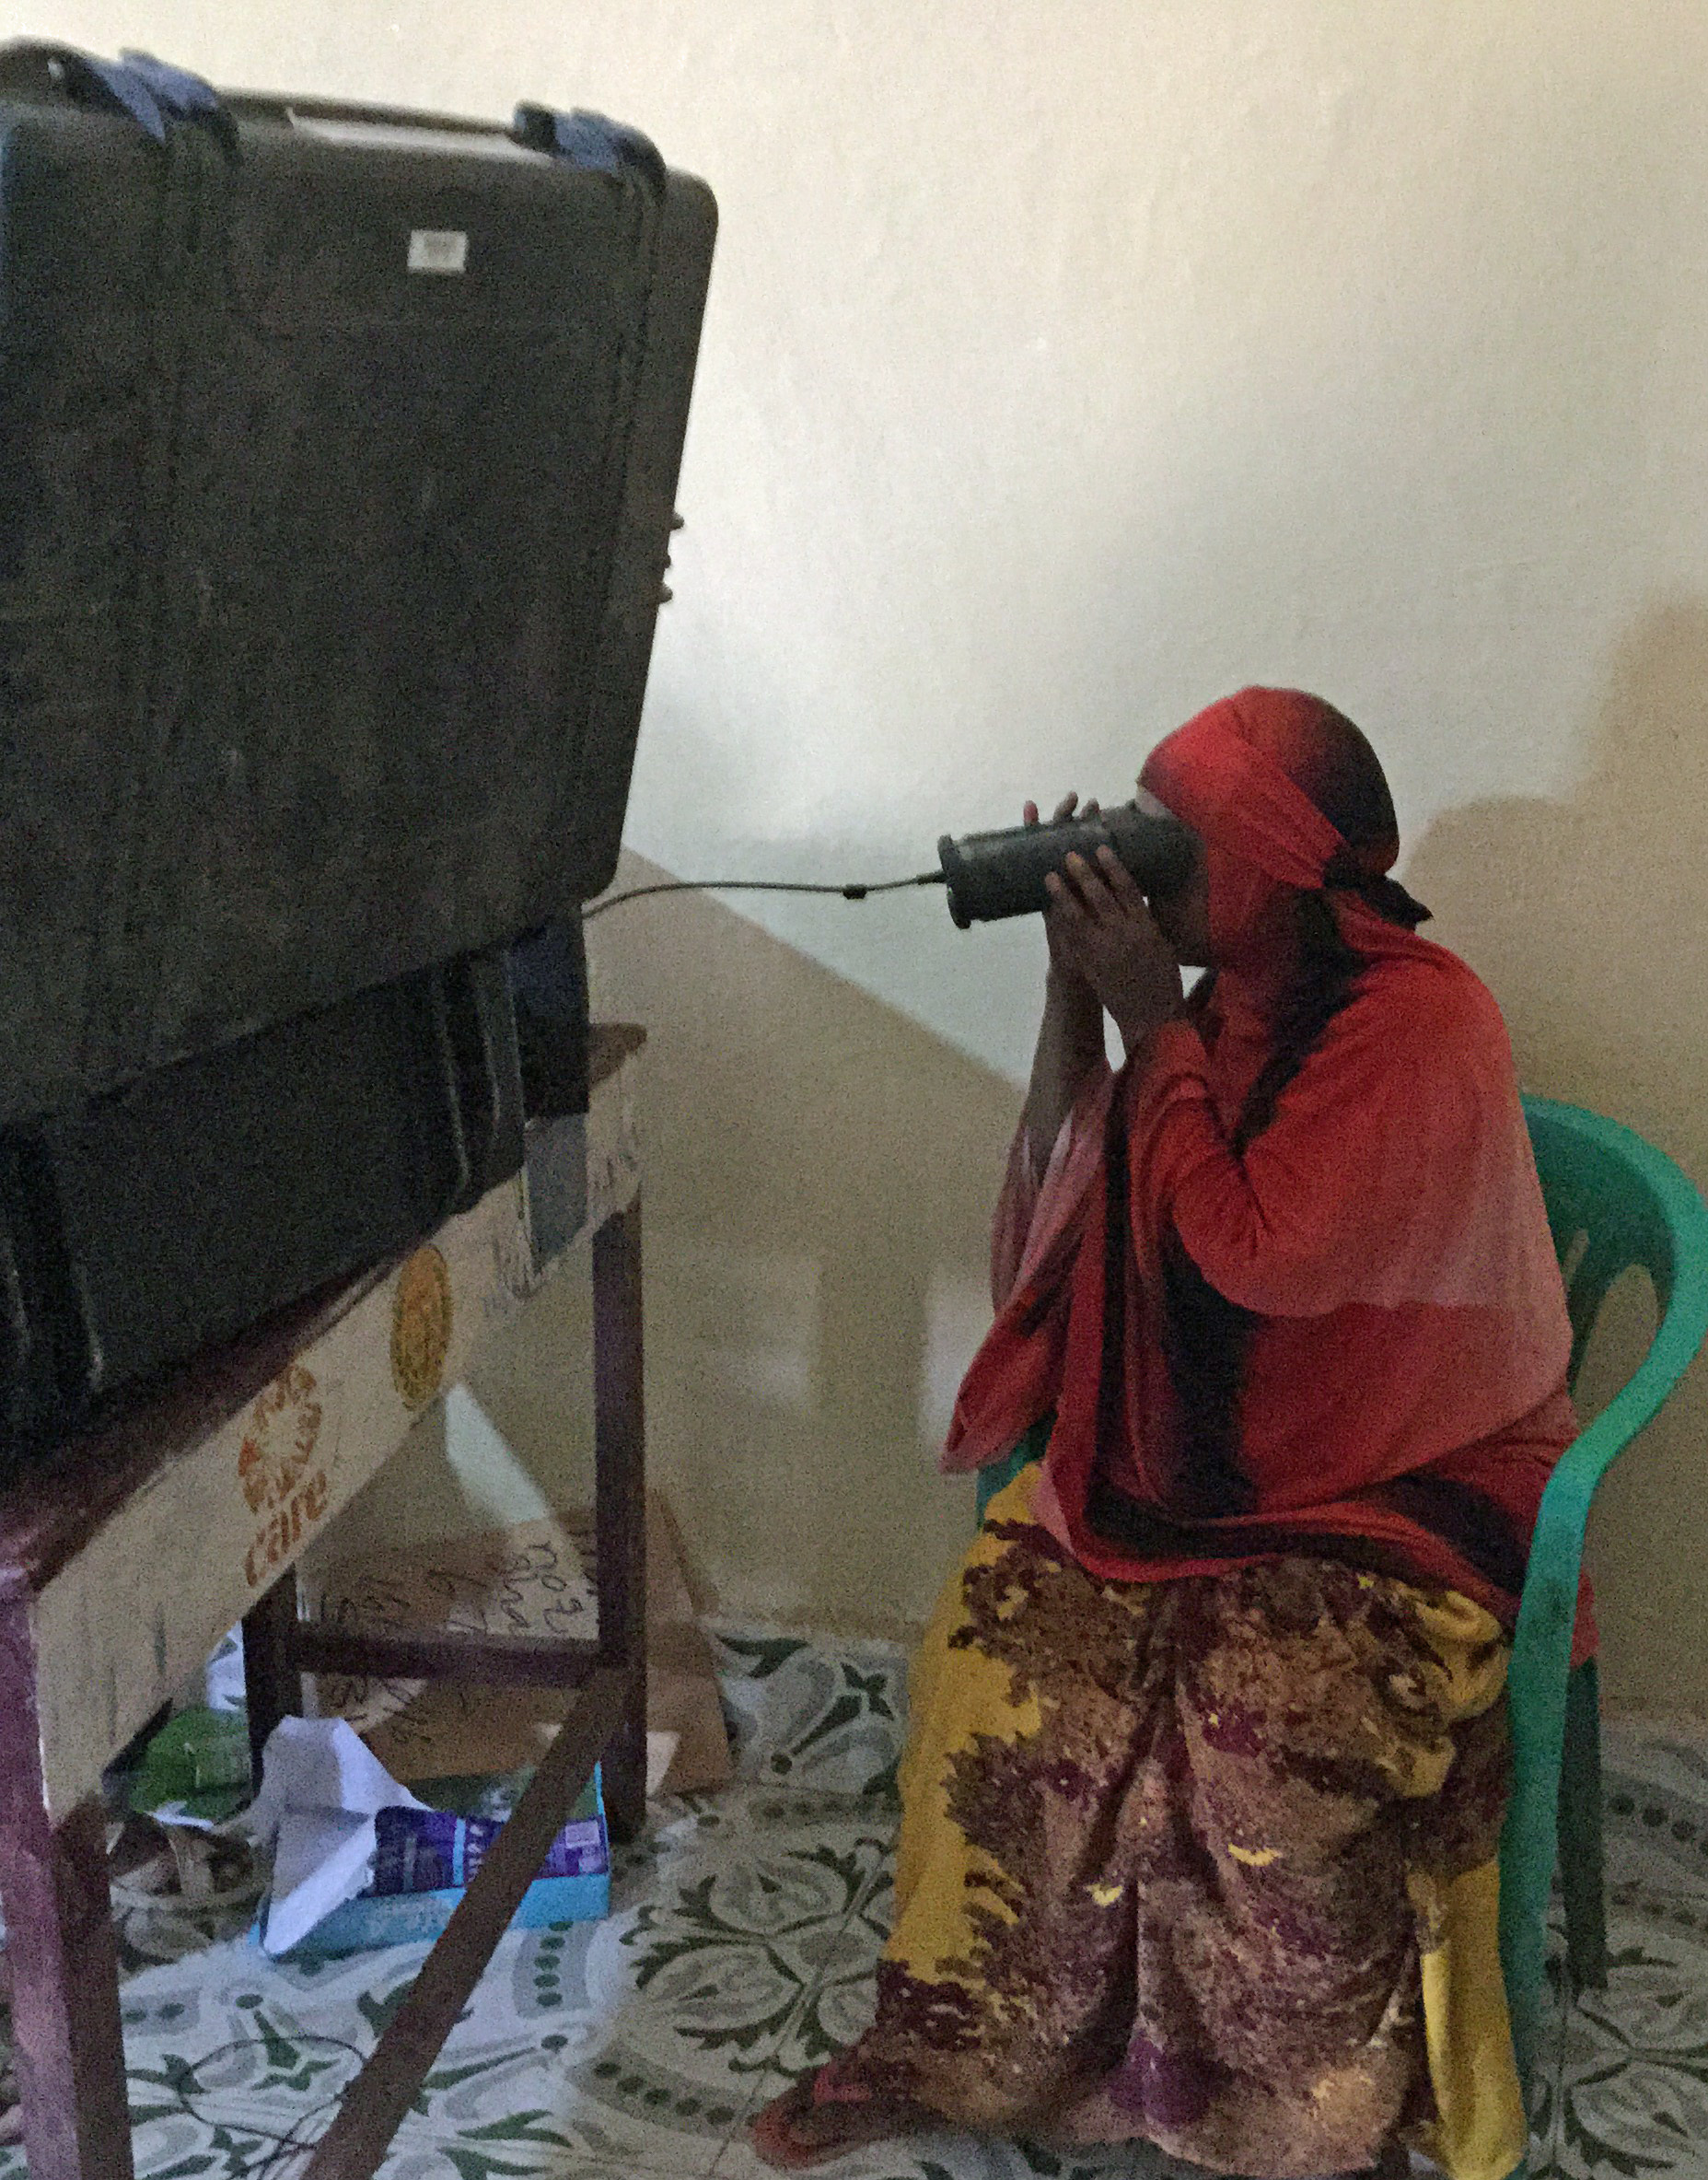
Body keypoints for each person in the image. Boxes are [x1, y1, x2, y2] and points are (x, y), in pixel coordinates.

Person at [751, 688, 1578, 2180]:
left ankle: (1302, 2124)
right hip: (1201, 1480)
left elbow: (1255, 1258)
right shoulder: (1217, 1021)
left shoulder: (1422, 1018)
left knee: (1267, 1742)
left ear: (1264, 865)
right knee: (1002, 1676)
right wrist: (1078, 995)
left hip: (1405, 1485)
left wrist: (1148, 1021)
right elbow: (1046, 1253)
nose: (1145, 876)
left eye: (1171, 846)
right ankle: (982, 2053)